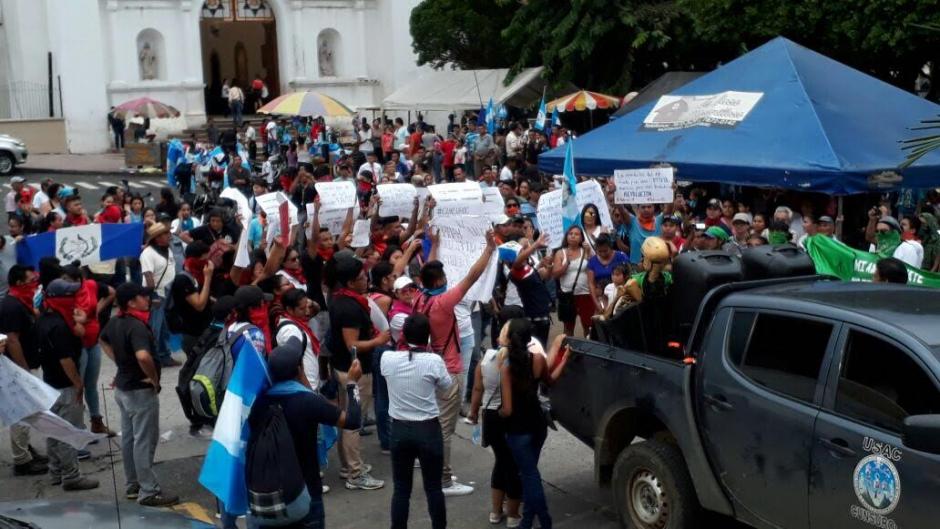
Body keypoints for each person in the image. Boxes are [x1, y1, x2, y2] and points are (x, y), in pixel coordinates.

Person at [413, 226, 497, 496]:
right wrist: (488, 248)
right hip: (449, 370)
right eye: (444, 276)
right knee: (445, 428)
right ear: (439, 282)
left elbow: (429, 269)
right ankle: (444, 480)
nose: (448, 279)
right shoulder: (445, 302)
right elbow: (473, 275)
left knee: (432, 420)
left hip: (427, 367)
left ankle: (432, 469)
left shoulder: (420, 298)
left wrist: (434, 244)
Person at [247, 338, 364, 529]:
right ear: (300, 369)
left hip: (269, 499)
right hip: (306, 496)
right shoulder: (307, 402)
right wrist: (352, 384)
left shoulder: (258, 403)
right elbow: (352, 421)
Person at [99, 283, 178, 506]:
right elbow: (143, 356)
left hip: (124, 389)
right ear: (131, 302)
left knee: (130, 439)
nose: (147, 300)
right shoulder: (137, 327)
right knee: (144, 440)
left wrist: (120, 362)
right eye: (143, 297)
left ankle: (133, 484)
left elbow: (102, 338)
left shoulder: (116, 321)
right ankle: (149, 491)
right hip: (140, 392)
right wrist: (154, 379)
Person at [381, 314, 452, 529]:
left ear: (403, 335)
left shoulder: (388, 359)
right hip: (428, 429)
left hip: (400, 429)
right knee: (433, 487)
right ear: (428, 336)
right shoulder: (434, 361)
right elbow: (446, 386)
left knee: (401, 488)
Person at [499, 319, 571, 529]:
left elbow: (508, 409)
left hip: (517, 429)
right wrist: (564, 358)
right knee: (531, 473)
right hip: (537, 423)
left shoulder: (506, 367)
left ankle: (545, 519)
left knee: (529, 475)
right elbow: (551, 381)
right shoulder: (538, 359)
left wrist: (498, 413)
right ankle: (528, 521)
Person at [328, 257, 387, 490]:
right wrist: (378, 340)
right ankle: (355, 473)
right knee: (353, 422)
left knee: (346, 418)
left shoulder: (342, 299)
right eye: (362, 277)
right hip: (354, 371)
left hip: (345, 368)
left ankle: (348, 466)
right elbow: (352, 343)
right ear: (351, 282)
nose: (366, 280)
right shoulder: (349, 307)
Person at [36, 279, 99, 491]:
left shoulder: (48, 318)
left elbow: (80, 334)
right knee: (68, 432)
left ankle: (56, 471)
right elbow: (66, 359)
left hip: (50, 383)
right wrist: (78, 383)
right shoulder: (59, 326)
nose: (74, 299)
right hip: (64, 385)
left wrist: (79, 320)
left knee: (54, 430)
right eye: (69, 295)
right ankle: (71, 476)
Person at [0, 265, 48, 476]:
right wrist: (24, 371)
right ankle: (22, 460)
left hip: (24, 366)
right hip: (17, 369)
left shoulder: (21, 302)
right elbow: (12, 340)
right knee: (22, 413)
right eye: (31, 280)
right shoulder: (11, 306)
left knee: (28, 412)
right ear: (19, 283)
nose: (35, 284)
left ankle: (26, 450)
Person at [140, 223, 179, 367]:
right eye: (166, 233)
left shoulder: (167, 250)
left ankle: (164, 355)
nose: (169, 235)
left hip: (166, 292)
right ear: (157, 238)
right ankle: (152, 357)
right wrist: (152, 296)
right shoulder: (148, 253)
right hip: (155, 294)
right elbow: (148, 275)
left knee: (163, 328)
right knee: (154, 328)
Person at [275, 288, 321, 390]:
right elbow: (295, 365)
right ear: (290, 309)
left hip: (310, 383)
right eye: (302, 308)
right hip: (305, 387)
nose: (307, 312)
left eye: (307, 307)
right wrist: (309, 390)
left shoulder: (299, 321)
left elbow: (317, 308)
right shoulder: (290, 331)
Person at [552, 225, 593, 336]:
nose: (573, 236)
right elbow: (555, 274)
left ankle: (588, 350)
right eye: (571, 234)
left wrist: (589, 252)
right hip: (568, 296)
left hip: (585, 294)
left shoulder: (585, 251)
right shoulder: (561, 253)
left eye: (576, 234)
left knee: (588, 326)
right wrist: (566, 264)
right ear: (566, 236)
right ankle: (569, 351)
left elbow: (593, 269)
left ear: (581, 238)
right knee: (568, 328)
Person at [586, 233, 629, 310]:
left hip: (621, 296)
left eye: (605, 251)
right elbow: (591, 283)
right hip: (602, 298)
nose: (602, 254)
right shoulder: (592, 261)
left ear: (611, 247)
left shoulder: (621, 257)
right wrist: (596, 303)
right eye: (599, 251)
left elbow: (629, 275)